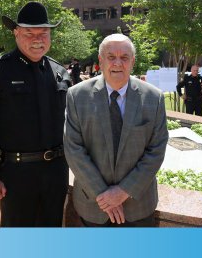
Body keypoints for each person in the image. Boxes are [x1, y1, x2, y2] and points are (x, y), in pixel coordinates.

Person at [0, 1, 73, 226]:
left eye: (43, 33)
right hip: (17, 174)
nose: (38, 39)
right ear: (16, 33)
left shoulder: (60, 72)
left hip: (56, 172)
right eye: (29, 33)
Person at [64, 34, 168, 226]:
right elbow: (74, 150)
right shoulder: (77, 96)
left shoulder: (154, 98)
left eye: (124, 57)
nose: (117, 63)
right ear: (101, 61)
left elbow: (156, 150)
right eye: (111, 57)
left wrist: (123, 191)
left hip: (138, 207)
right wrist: (104, 195)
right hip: (93, 206)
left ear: (133, 62)